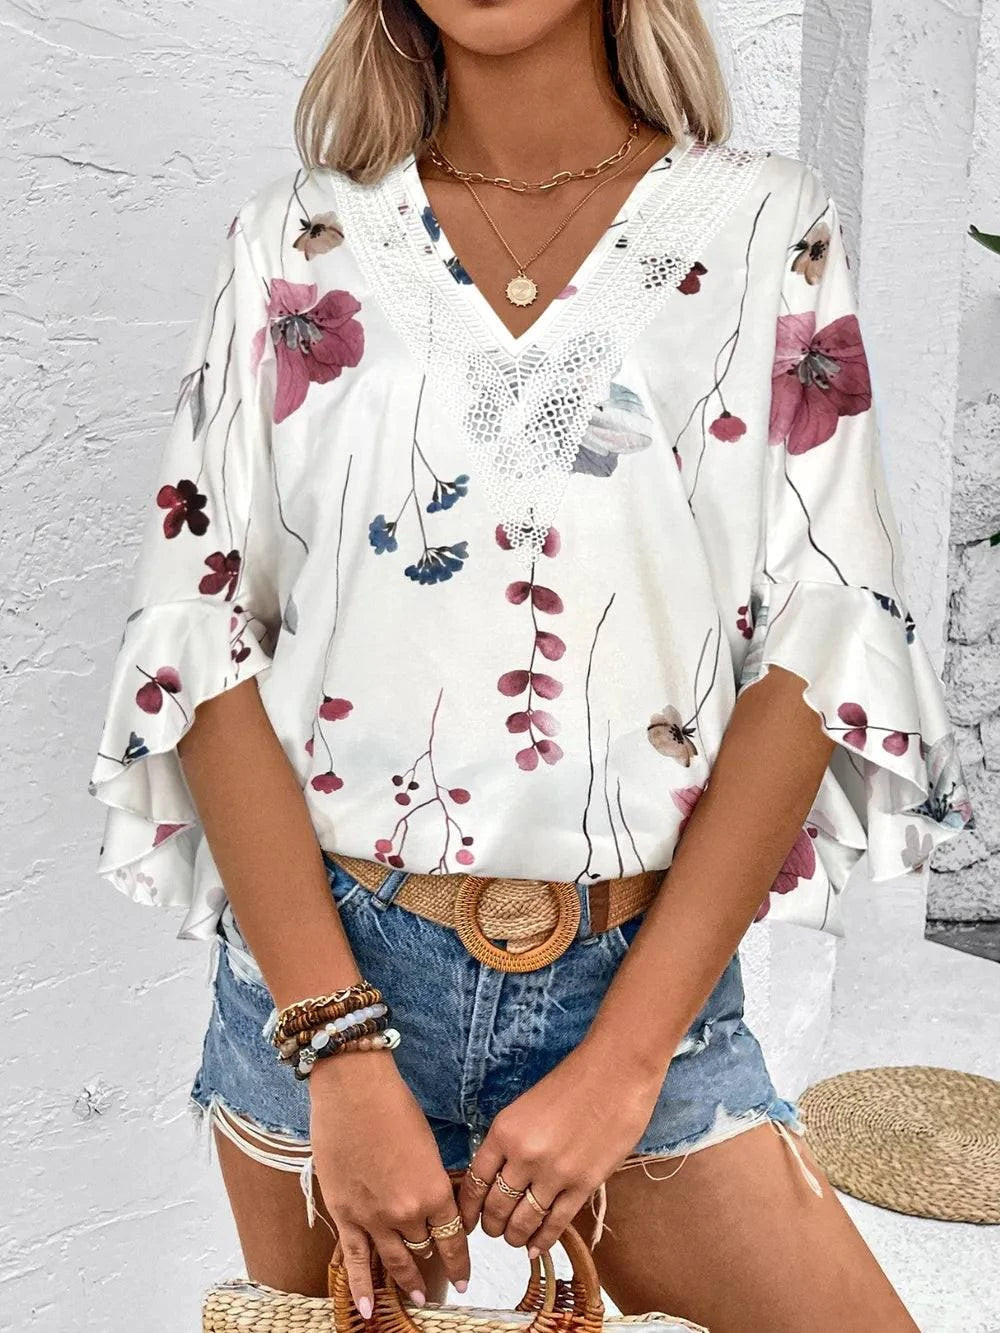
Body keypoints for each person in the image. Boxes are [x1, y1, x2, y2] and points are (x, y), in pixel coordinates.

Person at [87, 1, 974, 1328]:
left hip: (637, 982)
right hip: (327, 983)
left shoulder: (760, 227)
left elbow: (820, 643)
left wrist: (625, 1068)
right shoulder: (296, 239)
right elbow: (201, 640)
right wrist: (340, 1050)